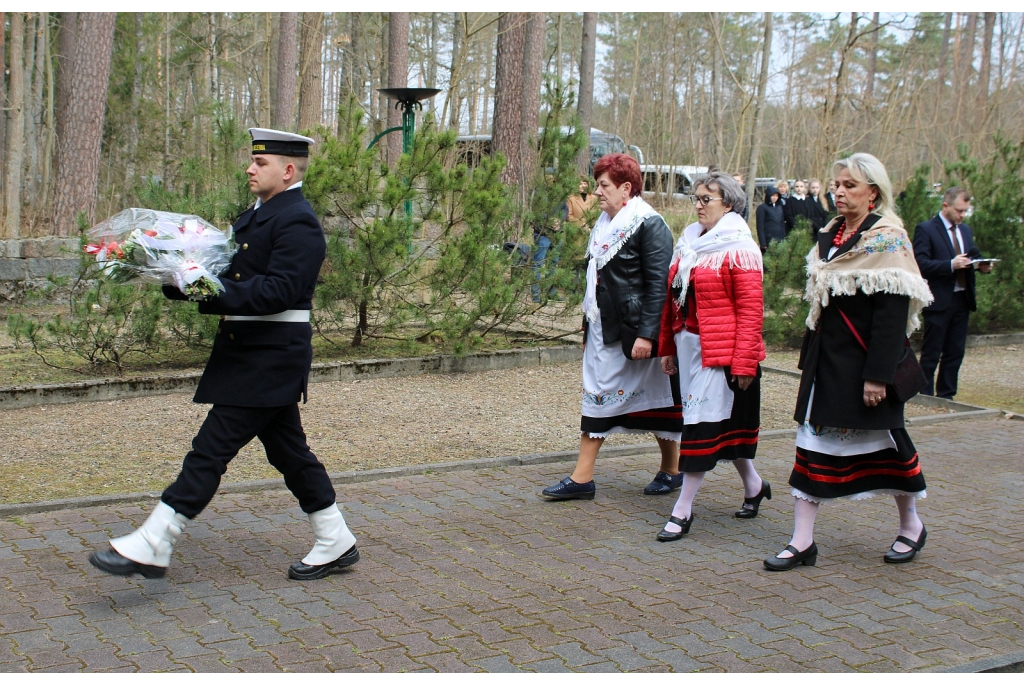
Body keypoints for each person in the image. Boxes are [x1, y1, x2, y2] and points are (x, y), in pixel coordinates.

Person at [89, 129, 359, 582]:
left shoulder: (297, 221)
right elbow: (222, 274)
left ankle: (156, 540)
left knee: (209, 450)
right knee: (290, 454)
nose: (250, 169)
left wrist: (208, 288)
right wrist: (170, 269)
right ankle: (336, 538)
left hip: (270, 357)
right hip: (248, 352)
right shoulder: (256, 216)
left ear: (288, 170)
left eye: (262, 163)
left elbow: (279, 292)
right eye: (252, 162)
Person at [765, 153, 934, 571]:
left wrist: (877, 377)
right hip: (827, 364)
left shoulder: (889, 239)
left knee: (888, 449)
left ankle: (911, 526)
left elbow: (892, 318)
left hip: (864, 367)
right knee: (811, 443)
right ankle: (802, 541)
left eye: (850, 185)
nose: (839, 191)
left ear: (873, 193)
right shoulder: (831, 233)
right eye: (837, 184)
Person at [541, 153, 683, 501]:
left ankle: (671, 469)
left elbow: (659, 285)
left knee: (656, 401)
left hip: (634, 331)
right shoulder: (605, 224)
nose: (597, 192)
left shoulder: (650, 225)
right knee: (601, 395)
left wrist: (649, 335)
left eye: (604, 185)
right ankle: (584, 477)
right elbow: (596, 282)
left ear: (626, 187)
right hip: (604, 330)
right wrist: (587, 329)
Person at [654, 172, 768, 541]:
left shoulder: (740, 248)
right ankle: (754, 485)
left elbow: (751, 311)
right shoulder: (689, 242)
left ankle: (682, 509)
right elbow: (673, 299)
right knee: (721, 425)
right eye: (697, 198)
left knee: (700, 424)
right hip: (687, 346)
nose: (699, 205)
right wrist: (667, 347)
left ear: (729, 204)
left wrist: (745, 362)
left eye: (707, 199)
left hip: (719, 352)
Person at [913, 187, 993, 399]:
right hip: (939, 299)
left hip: (962, 299)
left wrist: (981, 266)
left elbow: (971, 257)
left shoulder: (965, 230)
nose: (962, 215)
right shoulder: (926, 229)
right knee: (932, 352)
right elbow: (920, 263)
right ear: (945, 206)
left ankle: (947, 396)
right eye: (959, 210)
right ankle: (925, 395)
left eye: (965, 211)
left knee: (955, 352)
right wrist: (949, 265)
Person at [755, 185, 785, 252]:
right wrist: (763, 243)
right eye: (773, 196)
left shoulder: (779, 207)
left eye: (776, 196)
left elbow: (782, 224)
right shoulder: (762, 208)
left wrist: (784, 238)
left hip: (780, 239)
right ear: (768, 196)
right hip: (768, 240)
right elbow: (760, 226)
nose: (775, 198)